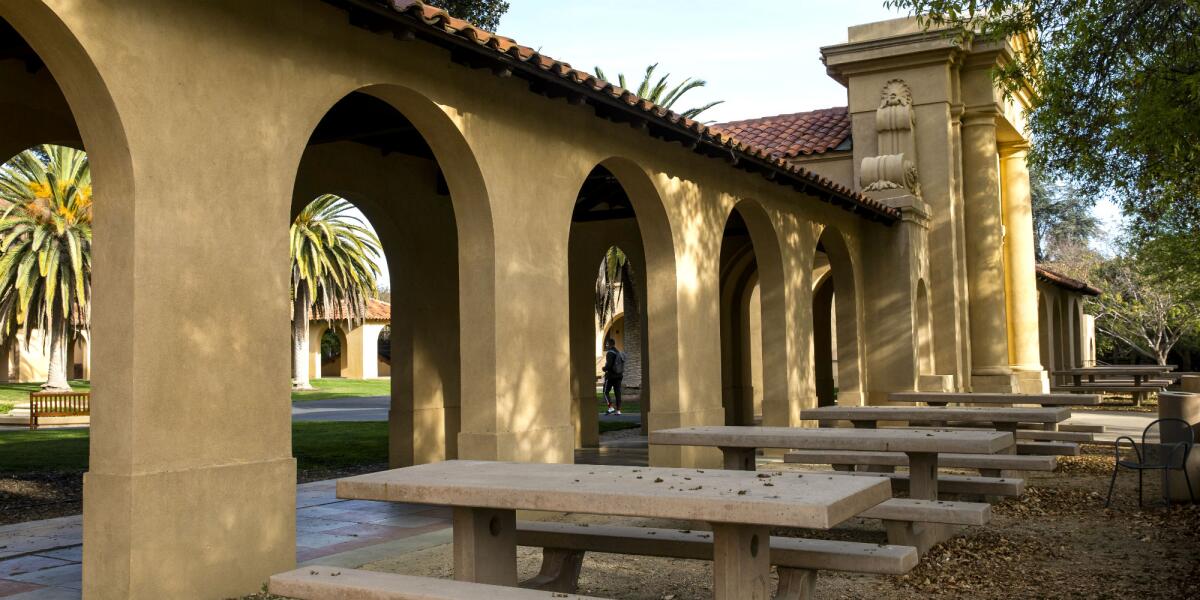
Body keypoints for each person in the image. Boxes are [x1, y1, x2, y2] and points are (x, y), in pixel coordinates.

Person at [601, 338, 626, 415]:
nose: (606, 345)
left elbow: (609, 366)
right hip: (619, 375)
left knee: (605, 392)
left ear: (610, 344)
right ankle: (618, 410)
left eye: (607, 344)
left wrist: (604, 368)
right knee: (617, 393)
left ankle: (610, 407)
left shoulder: (610, 353)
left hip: (611, 376)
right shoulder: (618, 352)